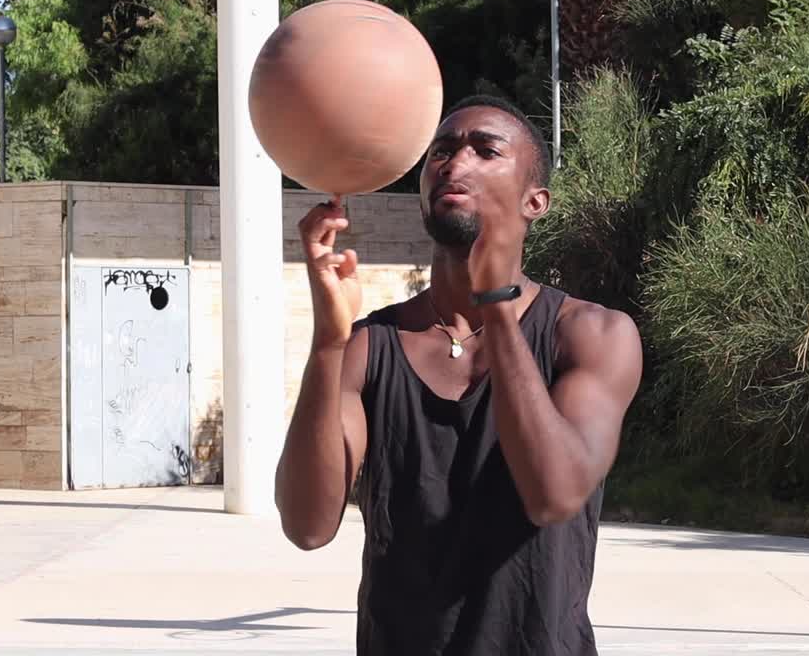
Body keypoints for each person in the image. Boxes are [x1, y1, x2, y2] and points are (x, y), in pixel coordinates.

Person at [274, 94, 644, 655]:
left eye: (484, 149)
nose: (453, 161)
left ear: (534, 201)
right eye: (441, 151)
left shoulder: (593, 335)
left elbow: (553, 495)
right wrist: (328, 340)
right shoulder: (369, 348)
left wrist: (495, 301)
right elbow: (307, 526)